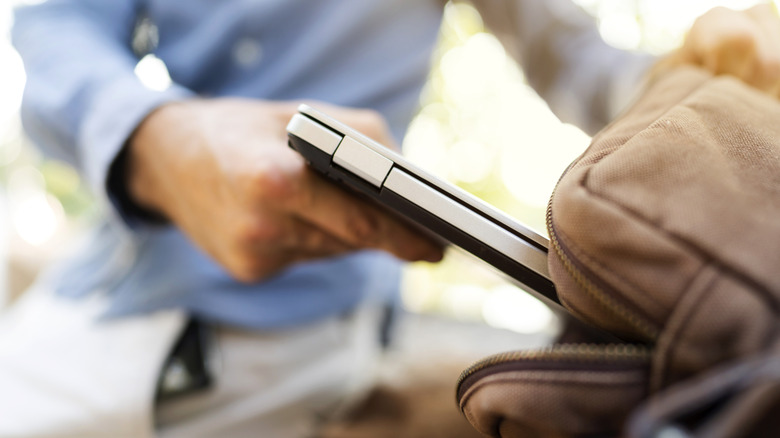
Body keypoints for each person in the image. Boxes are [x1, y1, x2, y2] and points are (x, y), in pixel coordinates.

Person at [3, 0, 780, 437]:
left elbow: (574, 57)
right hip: (109, 317)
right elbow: (56, 24)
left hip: (327, 350)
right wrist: (155, 138)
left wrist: (694, 77)